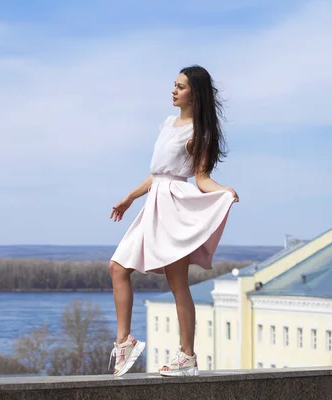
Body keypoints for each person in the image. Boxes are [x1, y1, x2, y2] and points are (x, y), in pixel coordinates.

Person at [107, 65, 239, 377]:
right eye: (174, 85)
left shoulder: (199, 134)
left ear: (195, 94)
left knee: (177, 283)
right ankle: (124, 341)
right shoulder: (167, 124)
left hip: (173, 205)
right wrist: (130, 197)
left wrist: (223, 192)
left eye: (180, 87)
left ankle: (187, 356)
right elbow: (156, 174)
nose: (174, 91)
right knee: (117, 267)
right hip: (153, 202)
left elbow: (202, 179)